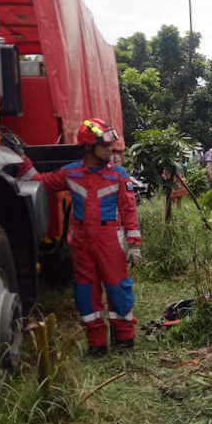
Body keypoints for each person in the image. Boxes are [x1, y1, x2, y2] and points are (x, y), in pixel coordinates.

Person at [16, 118, 142, 357]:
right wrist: (22, 159)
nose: (110, 149)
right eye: (104, 145)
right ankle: (96, 343)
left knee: (118, 288)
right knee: (86, 290)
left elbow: (129, 210)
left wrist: (134, 243)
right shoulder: (71, 172)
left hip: (110, 240)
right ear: (87, 147)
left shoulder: (118, 174)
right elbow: (38, 182)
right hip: (82, 241)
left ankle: (124, 339)